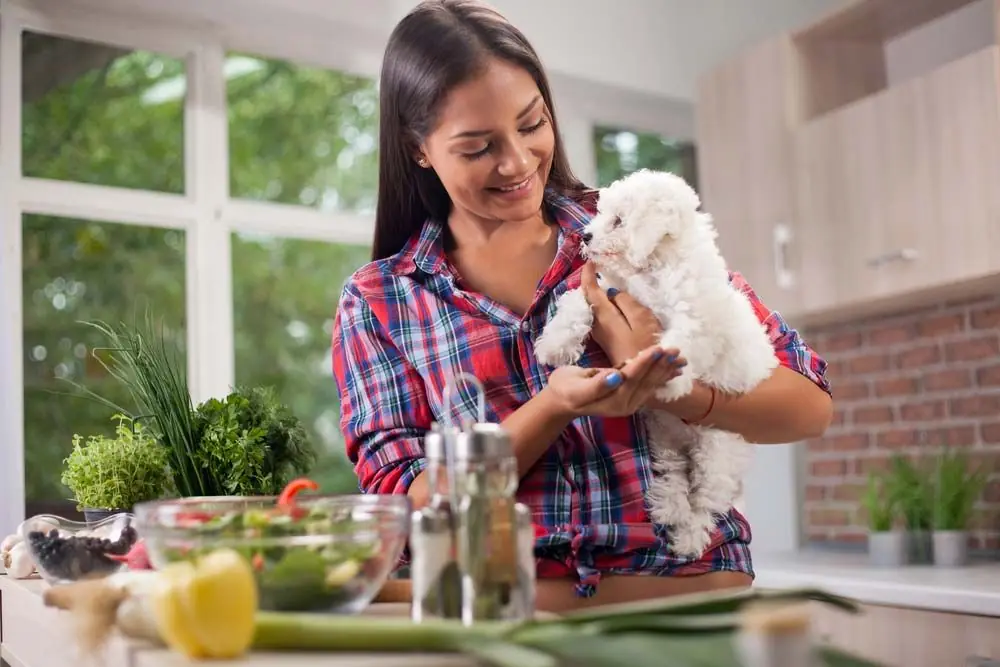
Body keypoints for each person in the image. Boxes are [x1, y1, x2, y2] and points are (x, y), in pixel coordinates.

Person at [331, 0, 832, 613]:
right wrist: (552, 408)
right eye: (477, 146)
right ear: (419, 148)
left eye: (531, 123)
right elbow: (407, 504)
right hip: (504, 635)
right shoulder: (381, 302)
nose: (516, 162)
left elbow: (808, 407)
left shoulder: (630, 230)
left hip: (688, 620)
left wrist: (668, 386)